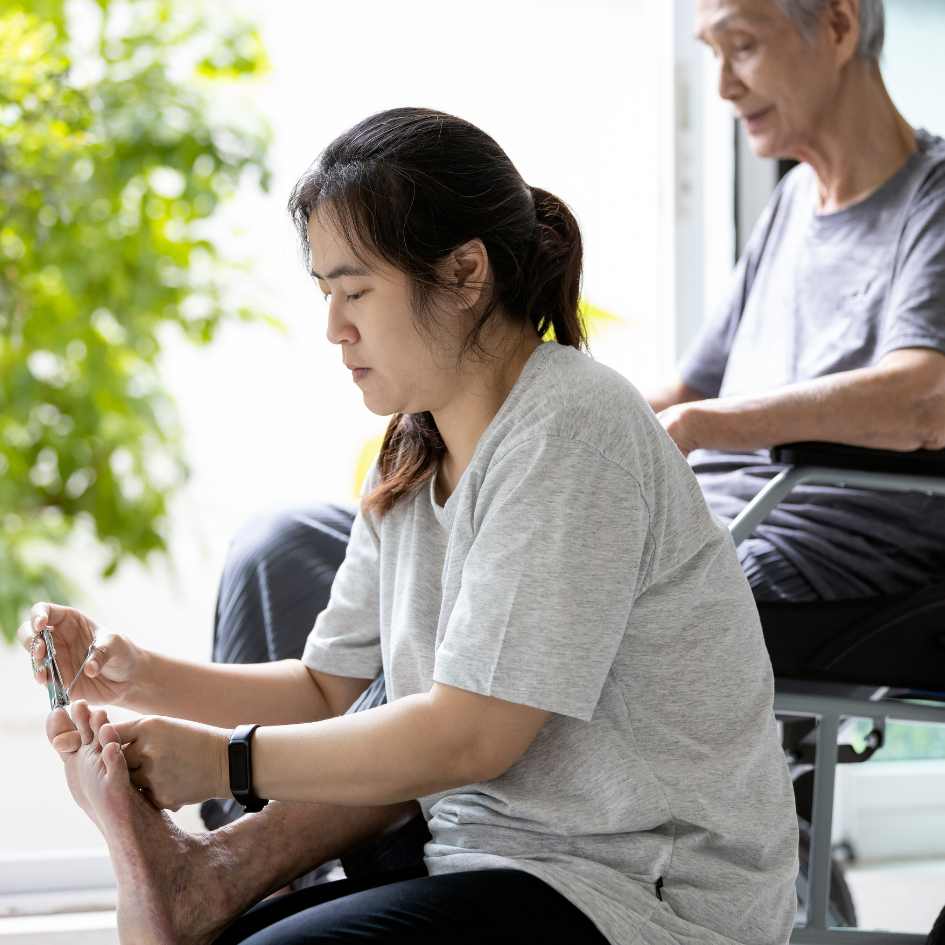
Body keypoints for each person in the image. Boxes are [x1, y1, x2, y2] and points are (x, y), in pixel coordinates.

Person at [22, 106, 799, 945]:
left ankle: (206, 871)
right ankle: (202, 876)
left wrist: (224, 760)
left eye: (355, 290)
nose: (334, 328)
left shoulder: (572, 427)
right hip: (488, 862)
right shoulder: (412, 446)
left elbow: (471, 736)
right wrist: (131, 674)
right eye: (326, 293)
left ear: (465, 274)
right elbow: (326, 689)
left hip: (638, 898)